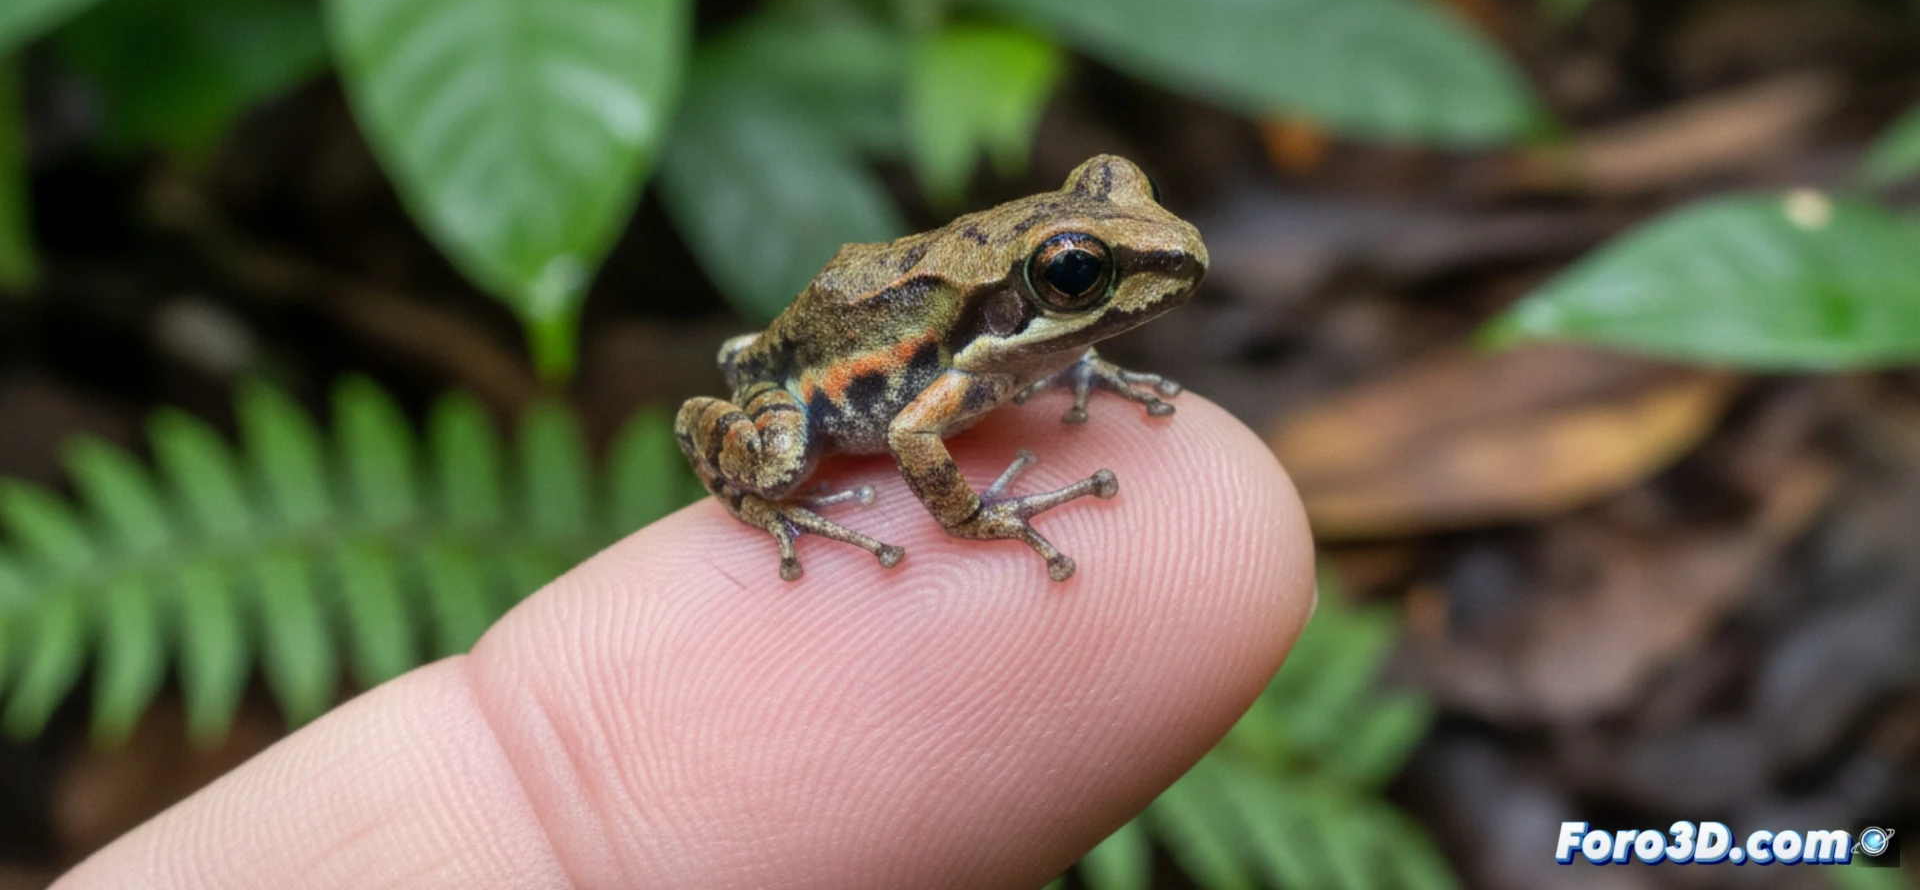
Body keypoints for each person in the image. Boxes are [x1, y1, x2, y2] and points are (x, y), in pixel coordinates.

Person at [54, 396, 1313, 889]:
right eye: (1079, 276)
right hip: (806, 387)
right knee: (778, 450)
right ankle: (773, 501)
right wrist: (980, 520)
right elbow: (916, 434)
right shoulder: (934, 370)